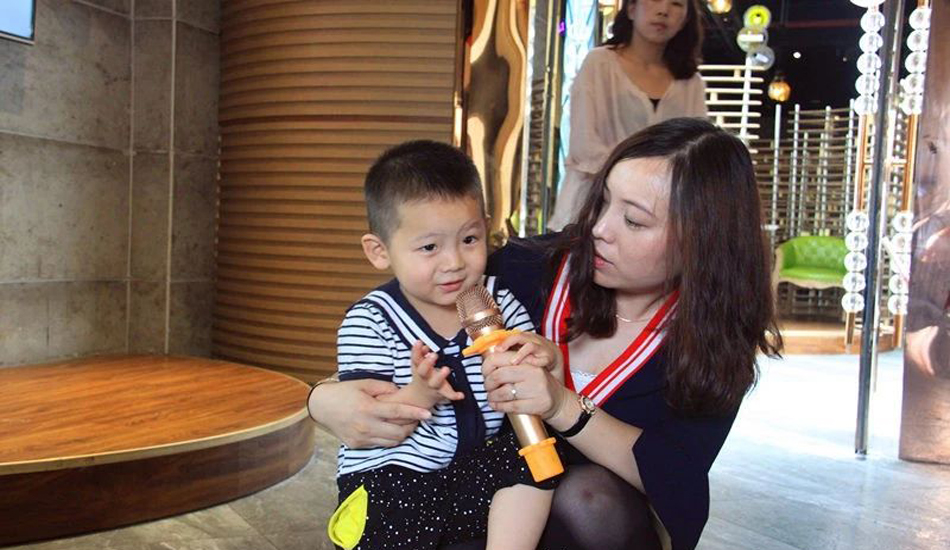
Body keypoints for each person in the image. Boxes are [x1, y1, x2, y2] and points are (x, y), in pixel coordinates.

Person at [310, 118, 782, 550]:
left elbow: (677, 475)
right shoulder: (527, 269)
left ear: (702, 240)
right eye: (603, 202)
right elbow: (415, 306)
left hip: (596, 522)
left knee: (587, 496)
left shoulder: (713, 339)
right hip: (475, 500)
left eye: (634, 220)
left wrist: (560, 405)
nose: (599, 229)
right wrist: (321, 399)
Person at [327, 140, 557, 550]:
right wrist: (420, 393)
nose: (454, 262)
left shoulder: (496, 301)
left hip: (471, 467)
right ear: (380, 252)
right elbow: (372, 418)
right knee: (388, 508)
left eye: (469, 239)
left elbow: (531, 363)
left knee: (531, 461)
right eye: (430, 247)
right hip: (396, 472)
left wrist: (544, 356)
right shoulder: (370, 319)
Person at [548, 0, 707, 230]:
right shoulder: (599, 64)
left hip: (657, 219)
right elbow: (584, 146)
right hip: (590, 210)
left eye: (676, 4)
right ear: (631, 9)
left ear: (685, 19)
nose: (664, 11)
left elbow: (695, 153)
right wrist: (643, 181)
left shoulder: (691, 82)